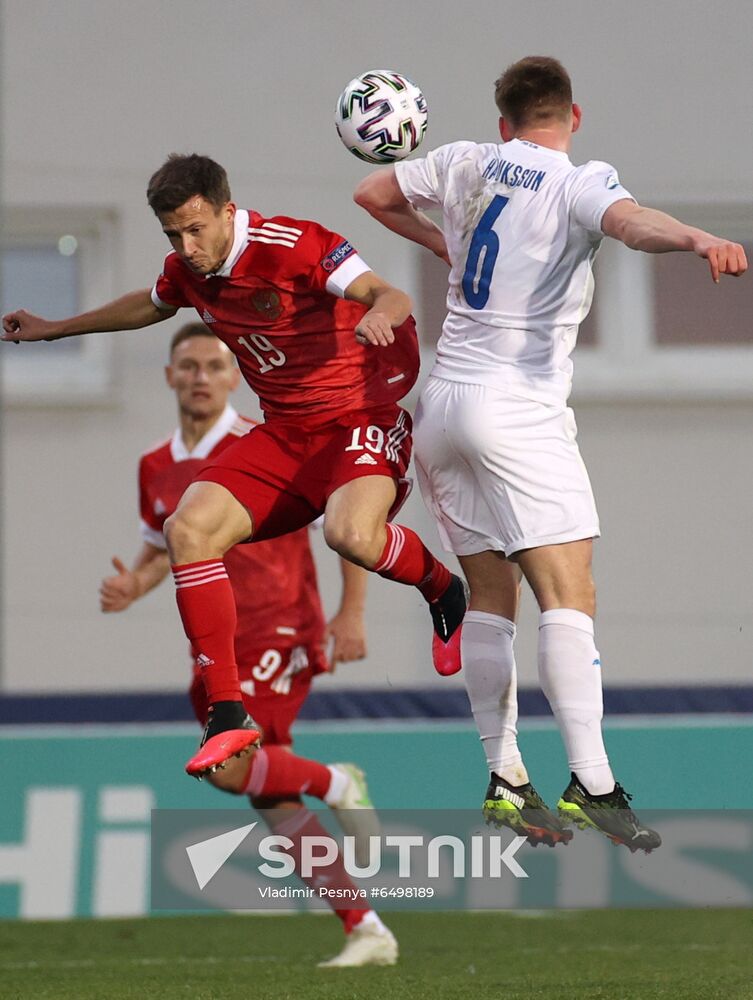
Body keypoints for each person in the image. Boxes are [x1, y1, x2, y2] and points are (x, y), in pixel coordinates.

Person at [353, 55, 747, 852]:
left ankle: (504, 778)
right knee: (569, 595)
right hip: (515, 409)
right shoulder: (579, 179)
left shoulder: (465, 158)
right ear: (573, 115)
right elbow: (630, 226)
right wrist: (696, 235)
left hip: (441, 408)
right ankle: (593, 783)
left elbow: (373, 193)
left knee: (491, 599)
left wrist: (441, 246)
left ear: (503, 121)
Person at [2, 152, 467, 778]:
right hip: (285, 435)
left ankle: (443, 587)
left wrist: (382, 313)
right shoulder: (187, 272)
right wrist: (57, 328)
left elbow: (386, 291)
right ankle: (227, 711)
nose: (187, 247)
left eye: (197, 230)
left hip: (360, 416)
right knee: (187, 530)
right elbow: (152, 302)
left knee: (350, 534)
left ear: (227, 210)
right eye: (173, 235)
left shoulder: (294, 244)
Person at [99, 321, 397, 967]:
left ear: (235, 375)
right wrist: (135, 584)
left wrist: (352, 611)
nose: (201, 376)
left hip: (277, 625)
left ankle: (338, 780)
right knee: (268, 792)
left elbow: (343, 514)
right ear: (170, 375)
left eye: (213, 364)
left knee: (230, 767)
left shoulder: (264, 442)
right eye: (189, 366)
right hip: (213, 643)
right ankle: (365, 927)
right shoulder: (155, 462)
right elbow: (164, 546)